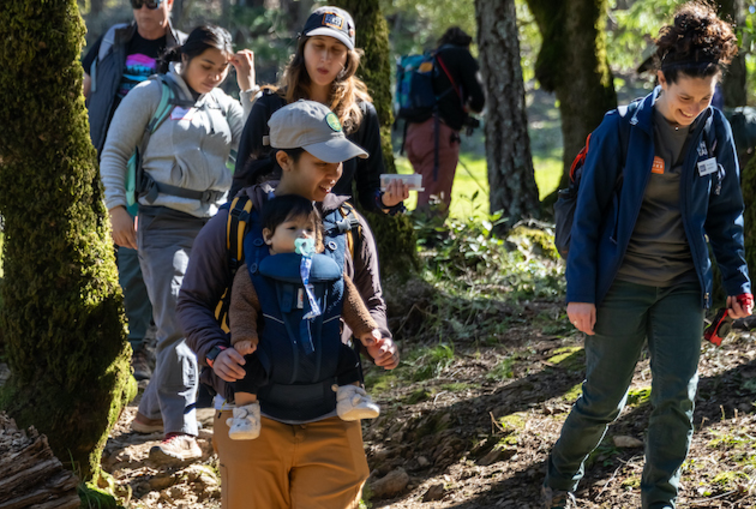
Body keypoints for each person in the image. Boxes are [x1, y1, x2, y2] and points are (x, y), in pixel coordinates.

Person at [178, 100, 399, 509]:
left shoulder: (352, 226)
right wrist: (216, 351)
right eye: (323, 159)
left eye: (340, 158)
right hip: (253, 419)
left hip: (333, 418)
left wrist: (379, 339)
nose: (335, 170)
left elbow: (372, 301)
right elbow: (193, 300)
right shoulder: (236, 222)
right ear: (285, 160)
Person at [539, 1, 753, 509]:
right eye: (686, 98)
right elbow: (587, 217)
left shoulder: (714, 129)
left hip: (683, 285)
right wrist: (580, 294)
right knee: (603, 400)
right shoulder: (621, 130)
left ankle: (660, 508)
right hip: (620, 285)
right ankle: (559, 485)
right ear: (662, 79)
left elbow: (726, 212)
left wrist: (737, 280)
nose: (695, 109)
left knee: (676, 398)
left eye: (706, 99)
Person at [99, 25, 256, 465]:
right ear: (184, 58)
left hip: (213, 227)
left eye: (222, 70)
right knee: (180, 319)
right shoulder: (151, 95)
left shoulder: (224, 103)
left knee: (208, 319)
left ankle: (149, 411)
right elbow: (114, 151)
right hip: (160, 223)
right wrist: (116, 208)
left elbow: (256, 147)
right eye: (207, 66)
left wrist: (245, 88)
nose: (213, 76)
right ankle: (181, 427)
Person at [83, 0, 187, 381]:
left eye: (153, 1)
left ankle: (136, 344)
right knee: (112, 246)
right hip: (110, 156)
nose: (144, 8)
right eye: (136, 1)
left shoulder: (185, 49)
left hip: (158, 163)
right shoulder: (112, 39)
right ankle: (116, 340)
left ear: (169, 3)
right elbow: (84, 87)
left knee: (137, 247)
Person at [225, 193, 381, 440]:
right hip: (272, 351)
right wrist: (244, 336)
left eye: (310, 229)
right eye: (292, 228)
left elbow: (349, 299)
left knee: (348, 357)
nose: (303, 235)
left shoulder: (329, 272)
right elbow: (241, 306)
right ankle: (246, 413)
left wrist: (366, 329)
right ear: (268, 236)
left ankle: (351, 396)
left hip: (322, 347)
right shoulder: (255, 274)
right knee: (248, 368)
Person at [228, 6, 409, 217]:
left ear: (348, 58)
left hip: (334, 238)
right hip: (274, 235)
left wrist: (387, 201)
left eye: (336, 49)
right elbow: (240, 185)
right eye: (318, 46)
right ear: (303, 48)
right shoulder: (269, 106)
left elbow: (370, 191)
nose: (326, 57)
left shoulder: (360, 113)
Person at [403, 26, 485, 221]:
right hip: (438, 135)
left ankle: (423, 236)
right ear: (465, 44)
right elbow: (479, 101)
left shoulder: (431, 58)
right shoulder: (461, 56)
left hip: (413, 133)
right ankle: (430, 242)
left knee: (425, 191)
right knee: (435, 198)